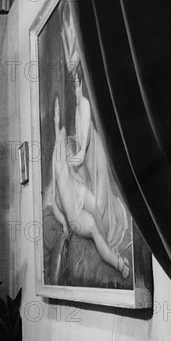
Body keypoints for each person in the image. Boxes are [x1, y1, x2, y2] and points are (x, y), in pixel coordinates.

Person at [50, 95, 129, 280]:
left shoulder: (64, 167)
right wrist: (64, 222)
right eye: (68, 148)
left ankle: (110, 249)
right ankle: (117, 263)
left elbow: (59, 137)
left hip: (77, 203)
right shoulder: (61, 168)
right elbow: (54, 202)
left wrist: (56, 121)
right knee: (93, 227)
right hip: (75, 217)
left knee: (94, 204)